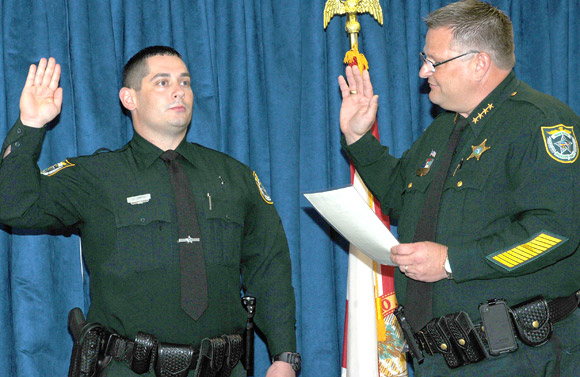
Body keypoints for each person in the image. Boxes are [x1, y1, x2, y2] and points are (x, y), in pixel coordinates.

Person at [0, 46, 299, 377]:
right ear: (129, 98)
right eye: (162, 82)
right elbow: (14, 206)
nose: (178, 91)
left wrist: (284, 356)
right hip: (130, 369)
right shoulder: (96, 177)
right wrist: (30, 125)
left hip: (224, 369)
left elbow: (269, 267)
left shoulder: (235, 176)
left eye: (185, 83)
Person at [338, 1, 580, 376]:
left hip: (517, 358)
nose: (424, 72)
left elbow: (555, 233)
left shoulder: (540, 123)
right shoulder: (444, 129)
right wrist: (358, 138)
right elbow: (401, 200)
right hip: (439, 358)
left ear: (479, 63)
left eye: (434, 61)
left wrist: (452, 262)